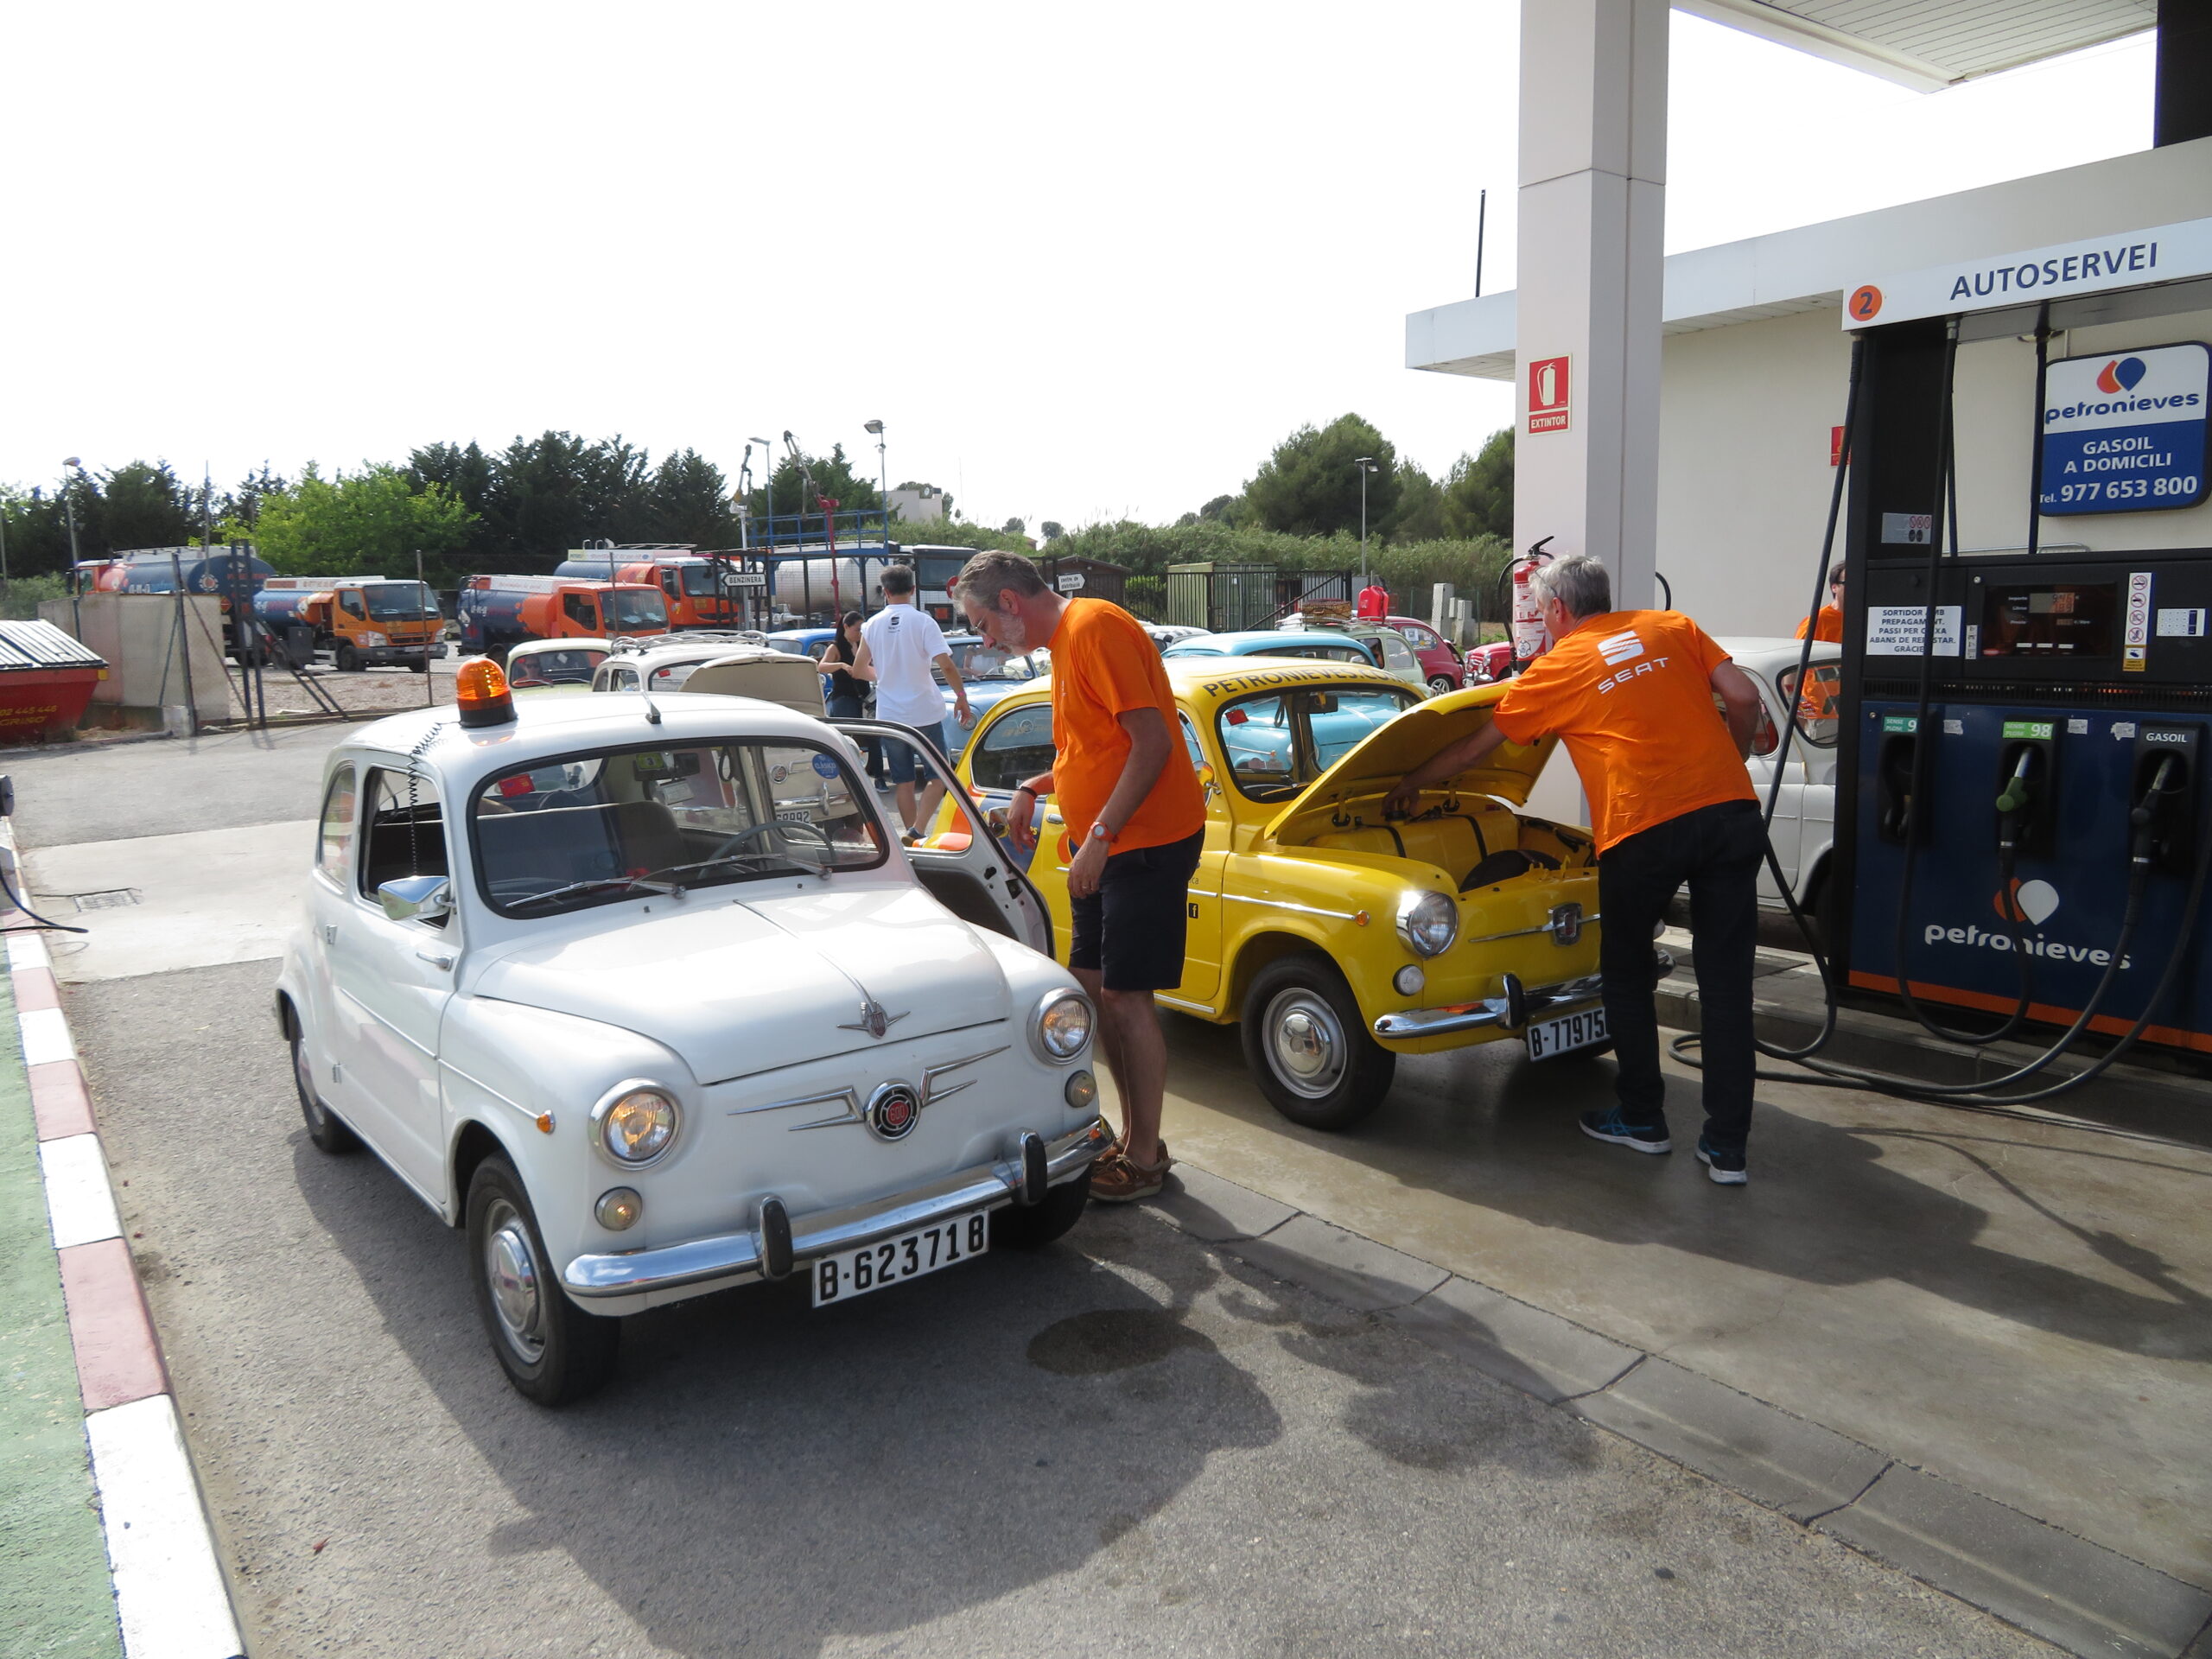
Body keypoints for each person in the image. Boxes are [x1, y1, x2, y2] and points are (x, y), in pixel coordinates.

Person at [1382, 553, 1768, 1185]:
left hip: (1643, 829)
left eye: (1540, 610)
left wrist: (1408, 784)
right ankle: (1727, 1150)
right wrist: (1733, 757)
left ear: (1557, 609)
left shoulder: (1558, 667)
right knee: (1727, 987)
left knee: (1626, 975)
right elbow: (1744, 696)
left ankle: (1643, 1119)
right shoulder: (1671, 626)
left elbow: (1477, 747)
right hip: (1730, 815)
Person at [952, 550, 1205, 1203]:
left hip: (1143, 843)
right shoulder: (1066, 642)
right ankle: (1130, 1136)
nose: (986, 640)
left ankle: (1144, 1157)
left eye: (983, 624)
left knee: (1126, 997)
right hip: (1111, 845)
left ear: (1011, 603)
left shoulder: (1093, 628)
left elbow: (1153, 742)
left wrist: (1100, 837)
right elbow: (1095, 747)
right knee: (1091, 988)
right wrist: (1033, 787)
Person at [853, 567, 971, 838]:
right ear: (913, 590)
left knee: (903, 781)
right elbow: (947, 666)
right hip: (924, 711)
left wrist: (885, 675)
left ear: (885, 591)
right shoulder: (923, 622)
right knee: (939, 776)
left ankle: (911, 834)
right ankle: (918, 830)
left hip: (890, 715)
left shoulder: (872, 625)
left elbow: (859, 670)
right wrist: (961, 698)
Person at [820, 611, 887, 790]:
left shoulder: (862, 644)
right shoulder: (835, 648)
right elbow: (821, 666)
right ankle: (847, 778)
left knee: (874, 735)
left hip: (865, 697)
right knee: (847, 736)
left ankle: (879, 777)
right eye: (857, 630)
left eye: (862, 630)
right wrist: (842, 665)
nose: (860, 633)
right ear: (846, 627)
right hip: (844, 697)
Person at [1797, 565, 1844, 643]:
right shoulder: (1817, 620)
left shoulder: (1863, 618)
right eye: (1849, 582)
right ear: (1834, 587)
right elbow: (1799, 648)